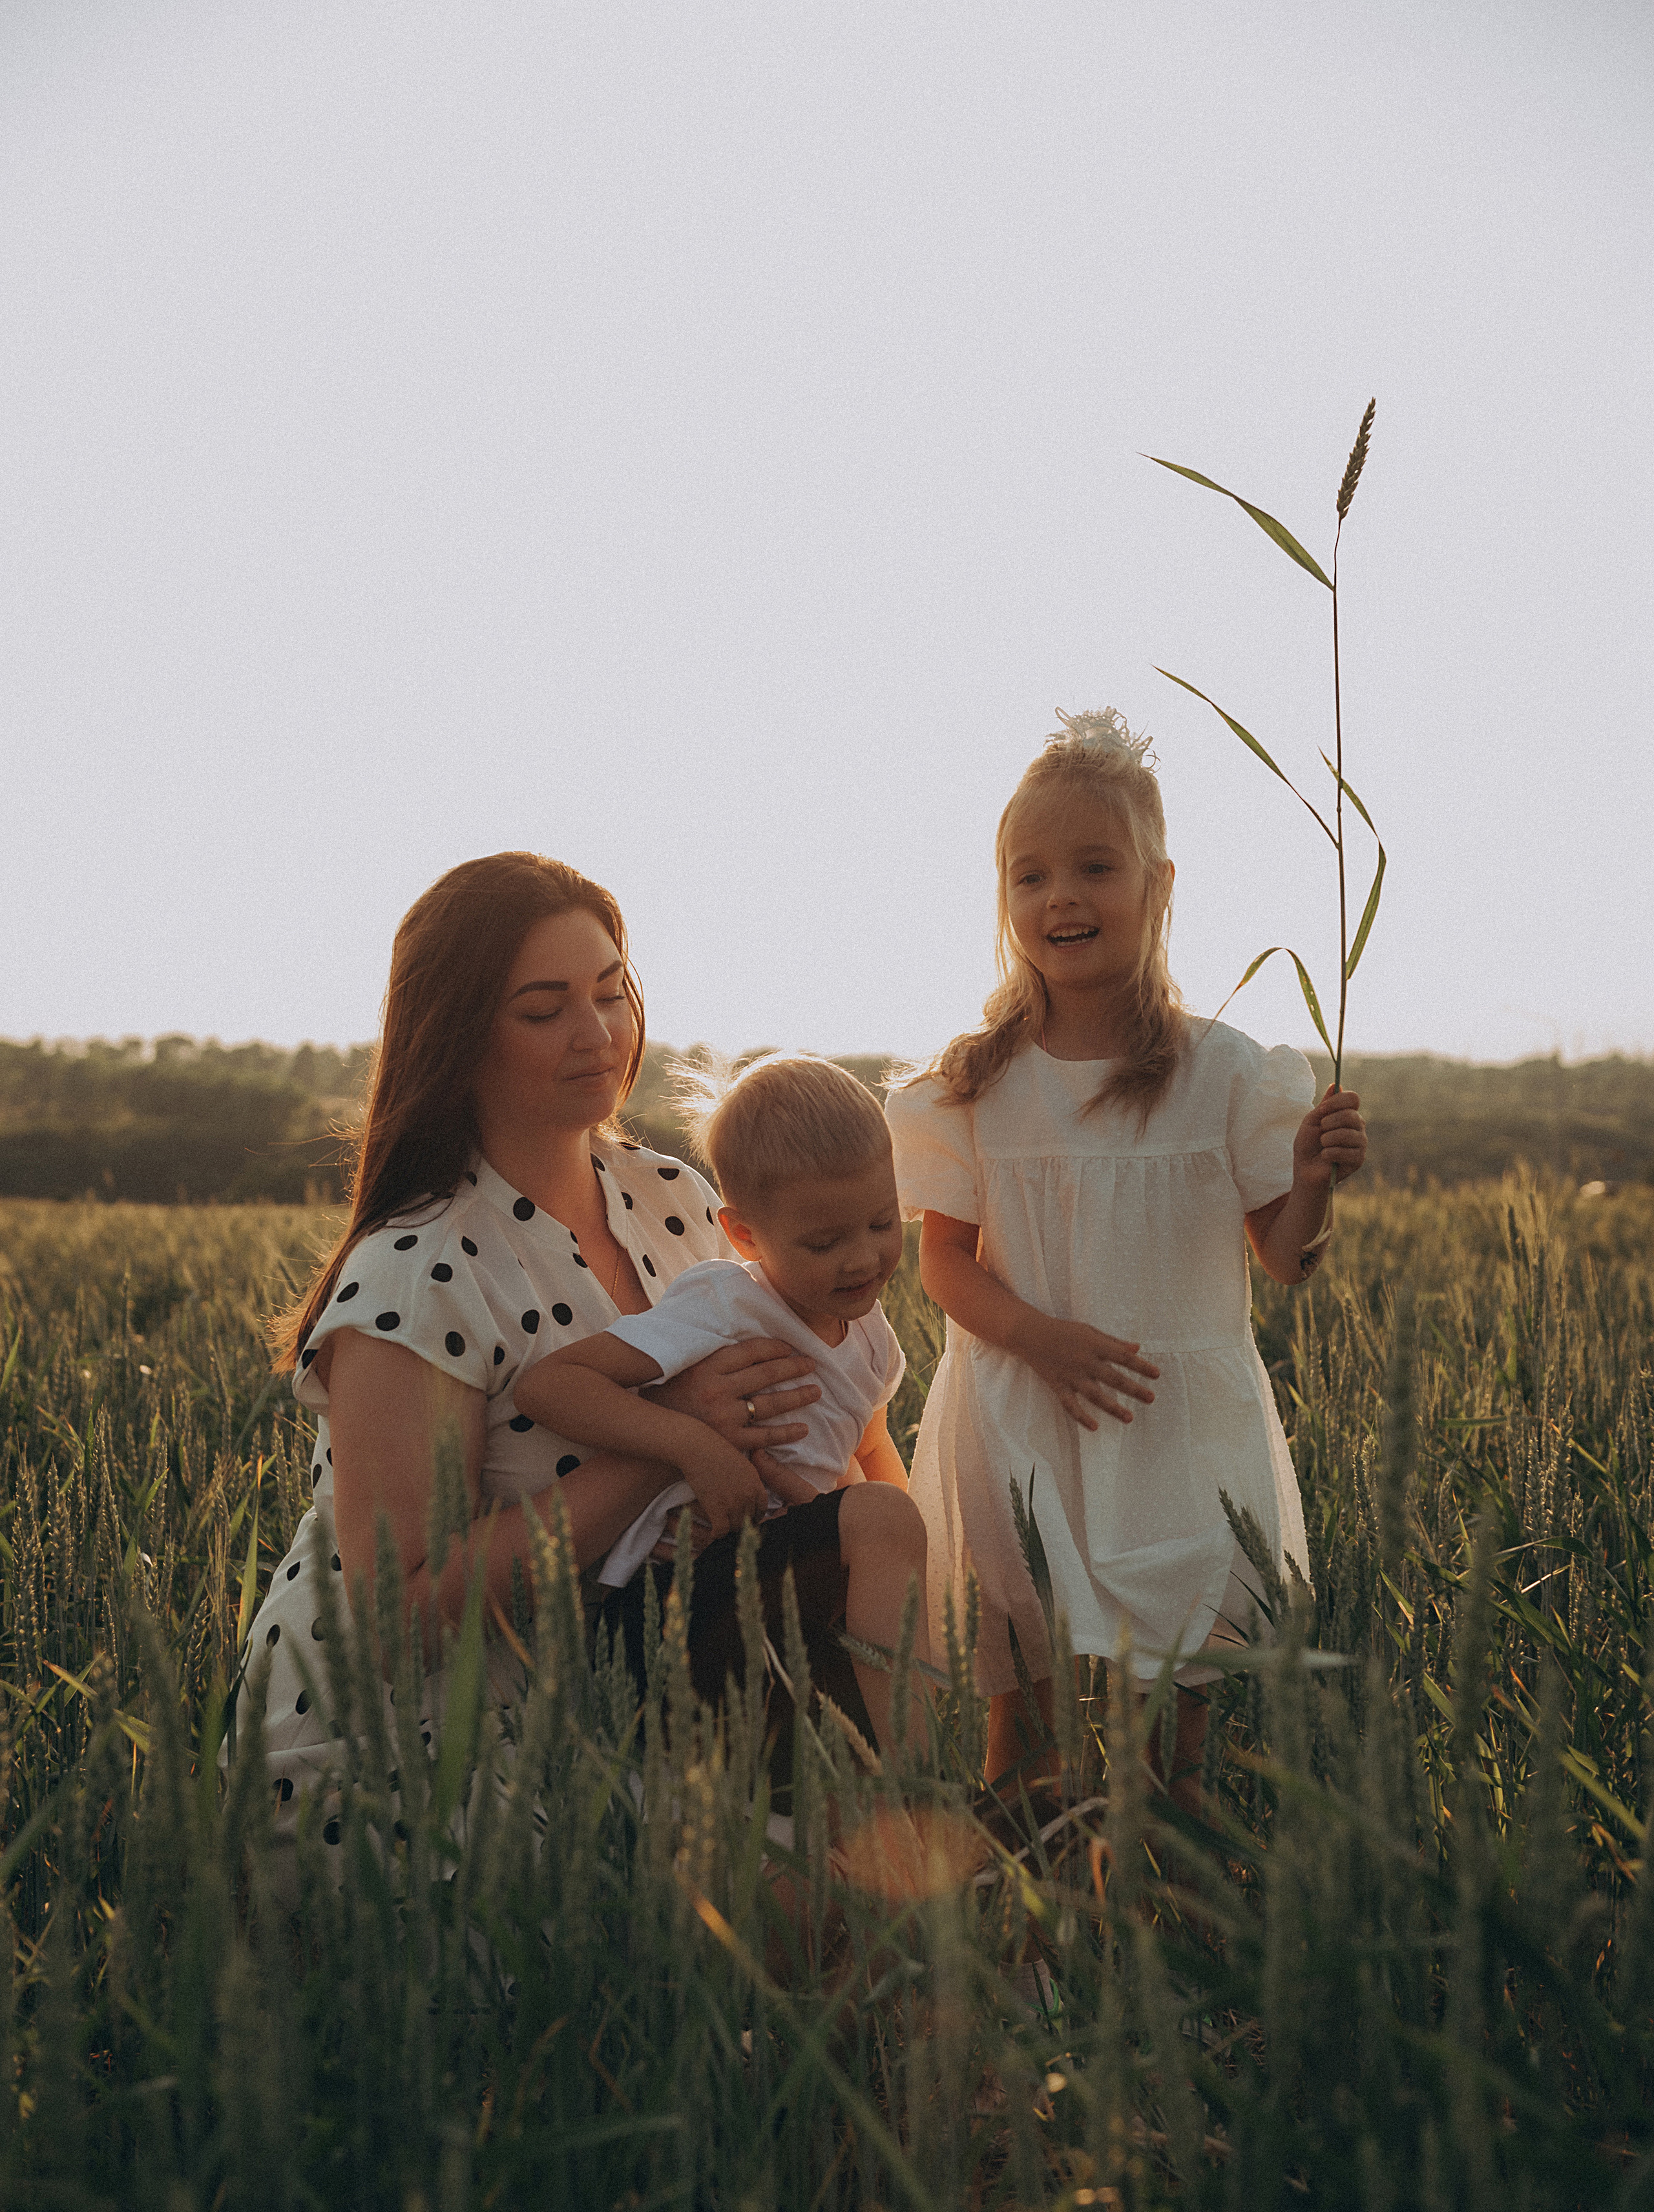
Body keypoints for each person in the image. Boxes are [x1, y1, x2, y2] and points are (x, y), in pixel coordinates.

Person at [246, 852, 830, 1842]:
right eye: (544, 1007)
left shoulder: (677, 1198)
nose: (596, 1032)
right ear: (461, 1034)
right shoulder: (416, 1269)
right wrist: (662, 1437)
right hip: (423, 1750)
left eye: (611, 993)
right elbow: (395, 1622)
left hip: (650, 1683)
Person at [884, 707, 1367, 1808]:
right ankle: (1037, 1949)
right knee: (1028, 1731)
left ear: (1160, 884)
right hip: (1019, 1412)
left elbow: (1287, 1259)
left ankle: (1162, 1923)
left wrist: (1314, 1180)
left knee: (1172, 1748)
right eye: (1029, 876)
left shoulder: (1231, 1076)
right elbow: (946, 1271)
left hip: (1171, 1426)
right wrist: (1042, 1341)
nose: (1061, 898)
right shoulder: (974, 1085)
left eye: (1096, 868)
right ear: (1003, 900)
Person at [514, 1052, 934, 1776]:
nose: (862, 1258)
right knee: (882, 1523)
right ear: (742, 1234)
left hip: (776, 1596)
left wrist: (897, 1566)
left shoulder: (868, 1336)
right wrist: (689, 1445)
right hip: (669, 1607)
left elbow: (872, 1455)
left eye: (878, 1222)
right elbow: (551, 1386)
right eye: (823, 1242)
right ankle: (919, 1785)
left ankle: (880, 1797)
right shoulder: (727, 1305)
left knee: (892, 1523)